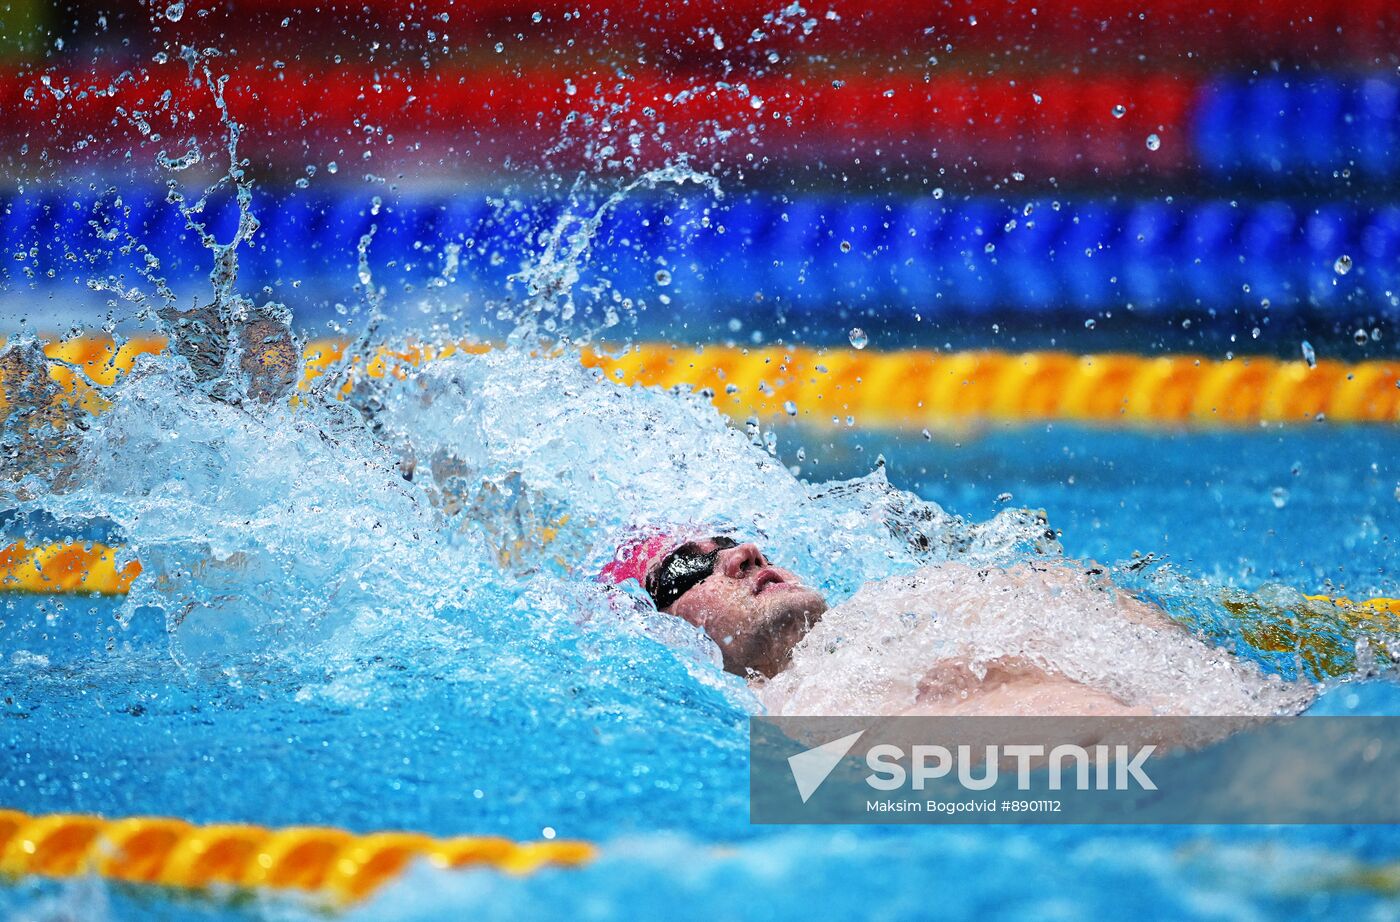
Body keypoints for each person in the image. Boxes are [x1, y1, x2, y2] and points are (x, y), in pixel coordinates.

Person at [601, 532, 1316, 718]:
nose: (740, 553)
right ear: (655, 631)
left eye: (729, 537)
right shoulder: (790, 727)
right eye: (687, 569)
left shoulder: (936, 594)